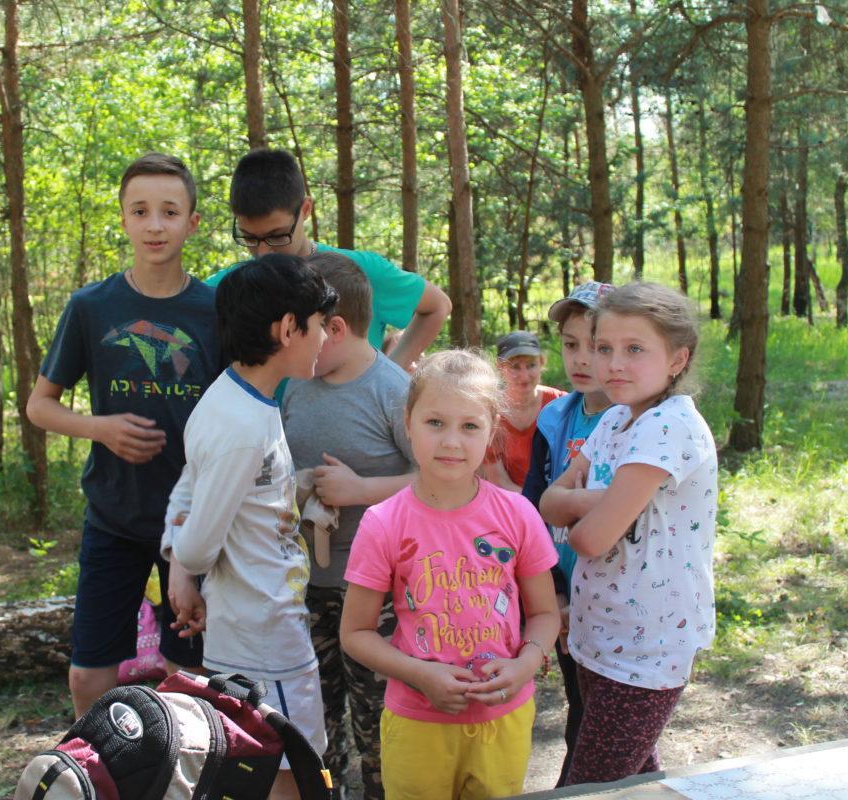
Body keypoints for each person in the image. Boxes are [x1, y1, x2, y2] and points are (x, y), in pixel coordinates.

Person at [26, 153, 220, 718]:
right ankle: (99, 760)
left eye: (169, 212)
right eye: (140, 211)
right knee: (88, 674)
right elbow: (40, 406)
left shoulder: (215, 311)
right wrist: (100, 429)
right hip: (113, 515)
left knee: (189, 675)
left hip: (192, 523)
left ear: (192, 222)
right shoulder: (92, 307)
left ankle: (183, 762)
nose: (154, 225)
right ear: (123, 219)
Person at [340, 350, 561, 800]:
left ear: (492, 429)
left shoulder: (518, 514)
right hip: (417, 726)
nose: (451, 442)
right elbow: (355, 633)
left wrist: (524, 665)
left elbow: (544, 614)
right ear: (408, 423)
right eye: (435, 423)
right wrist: (420, 675)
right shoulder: (383, 523)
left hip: (504, 722)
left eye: (470, 426)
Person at [163, 253, 338, 800]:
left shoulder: (233, 400)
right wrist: (182, 565)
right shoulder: (242, 426)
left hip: (254, 623)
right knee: (290, 768)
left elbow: (196, 486)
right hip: (264, 635)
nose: (324, 339)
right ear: (287, 329)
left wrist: (297, 488)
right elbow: (200, 545)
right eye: (319, 325)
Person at [540, 282, 717, 786]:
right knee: (636, 782)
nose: (613, 364)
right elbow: (549, 503)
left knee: (587, 788)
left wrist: (580, 509)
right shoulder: (616, 417)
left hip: (647, 647)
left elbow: (587, 541)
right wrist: (604, 500)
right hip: (599, 633)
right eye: (604, 348)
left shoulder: (669, 426)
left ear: (678, 359)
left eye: (634, 349)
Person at [280, 251, 415, 800]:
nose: (288, 342)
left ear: (333, 328)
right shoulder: (297, 384)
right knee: (313, 722)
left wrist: (361, 490)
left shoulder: (394, 392)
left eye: (299, 328)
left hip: (378, 593)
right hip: (306, 587)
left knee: (379, 723)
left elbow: (438, 480)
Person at [208, 148, 450, 373]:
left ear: (305, 209)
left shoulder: (359, 271)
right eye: (249, 238)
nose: (262, 253)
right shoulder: (227, 288)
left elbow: (437, 306)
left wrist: (389, 373)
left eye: (277, 236)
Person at [521, 281, 614, 786]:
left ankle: (578, 785)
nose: (581, 359)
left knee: (608, 707)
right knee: (579, 700)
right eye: (570, 344)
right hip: (562, 584)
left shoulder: (633, 420)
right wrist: (551, 591)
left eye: (596, 346)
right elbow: (534, 507)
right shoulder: (555, 417)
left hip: (614, 592)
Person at [481, 331, 567, 492]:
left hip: (558, 497)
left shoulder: (561, 404)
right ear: (500, 367)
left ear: (542, 362)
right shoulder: (491, 412)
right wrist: (533, 503)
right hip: (510, 500)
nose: (524, 375)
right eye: (515, 366)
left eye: (531, 365)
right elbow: (499, 481)